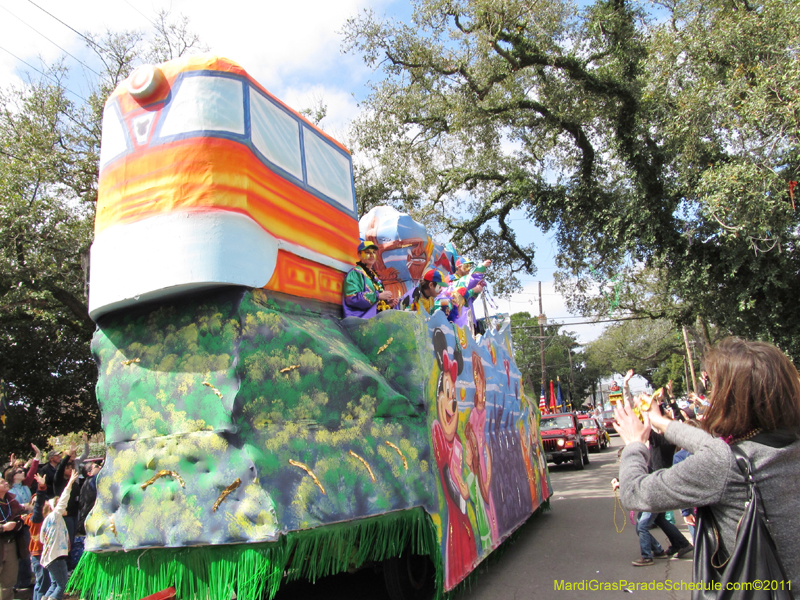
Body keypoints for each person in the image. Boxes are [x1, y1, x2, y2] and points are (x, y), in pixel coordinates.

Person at [615, 337, 800, 586]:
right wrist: (663, 424)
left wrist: (635, 444)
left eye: (715, 387)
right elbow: (719, 448)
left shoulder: (723, 464)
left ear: (733, 398)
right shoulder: (787, 442)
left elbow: (634, 493)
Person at [40, 470, 79, 600]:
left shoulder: (48, 521)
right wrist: (70, 483)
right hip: (55, 557)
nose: (65, 508)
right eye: (62, 507)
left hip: (49, 558)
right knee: (61, 585)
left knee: (54, 584)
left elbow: (41, 539)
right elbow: (63, 500)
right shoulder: (55, 517)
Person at [342, 241, 396, 318]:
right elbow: (351, 298)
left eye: (374, 252)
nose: (371, 255)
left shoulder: (374, 275)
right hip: (361, 319)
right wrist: (378, 296)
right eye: (367, 252)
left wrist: (386, 303)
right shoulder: (355, 273)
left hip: (375, 318)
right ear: (359, 255)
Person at [23, 474, 51, 600]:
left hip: (47, 553)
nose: (37, 505)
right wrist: (41, 487)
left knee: (45, 583)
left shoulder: (50, 519)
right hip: (38, 554)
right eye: (33, 503)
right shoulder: (34, 519)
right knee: (42, 584)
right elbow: (39, 505)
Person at [0, 476, 25, 600]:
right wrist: (3, 528)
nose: (5, 483)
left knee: (9, 580)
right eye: (2, 482)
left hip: (11, 544)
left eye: (5, 481)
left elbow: (19, 517)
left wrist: (19, 523)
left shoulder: (11, 501)